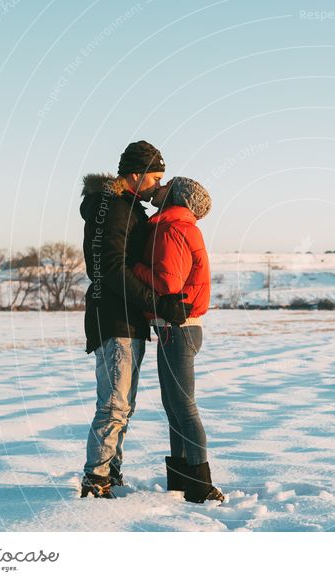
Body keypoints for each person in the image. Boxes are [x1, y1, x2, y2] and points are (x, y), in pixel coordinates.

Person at [78, 141, 190, 499]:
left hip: (126, 318)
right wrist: (157, 302)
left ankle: (111, 473)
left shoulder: (124, 207)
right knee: (114, 405)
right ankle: (96, 480)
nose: (158, 185)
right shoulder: (113, 209)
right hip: (116, 318)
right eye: (155, 177)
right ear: (136, 174)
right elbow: (111, 270)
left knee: (123, 404)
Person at [133, 177, 224, 503]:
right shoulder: (176, 226)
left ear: (176, 196)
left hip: (178, 328)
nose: (158, 188)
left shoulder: (172, 229)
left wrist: (133, 269)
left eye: (165, 185)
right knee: (174, 407)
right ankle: (183, 481)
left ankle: (201, 484)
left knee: (183, 408)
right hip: (178, 328)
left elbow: (167, 283)